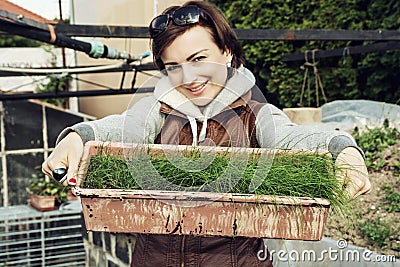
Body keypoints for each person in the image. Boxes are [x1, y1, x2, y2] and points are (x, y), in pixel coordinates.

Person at [42, 1, 371, 266]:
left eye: (199, 58)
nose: (189, 77)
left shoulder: (255, 113)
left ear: (226, 52)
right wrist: (78, 137)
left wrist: (342, 150)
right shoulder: (158, 109)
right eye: (173, 67)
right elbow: (121, 128)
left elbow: (290, 137)